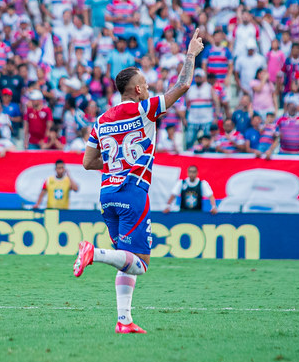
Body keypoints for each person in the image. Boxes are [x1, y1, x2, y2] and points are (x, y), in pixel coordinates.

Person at [73, 28, 205, 334]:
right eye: (145, 85)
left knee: (127, 258)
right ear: (136, 91)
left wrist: (116, 164)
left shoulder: (101, 120)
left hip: (107, 193)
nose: (148, 88)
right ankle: (94, 253)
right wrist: (190, 54)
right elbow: (183, 84)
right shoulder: (145, 109)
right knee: (140, 262)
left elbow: (87, 162)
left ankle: (124, 320)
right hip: (133, 192)